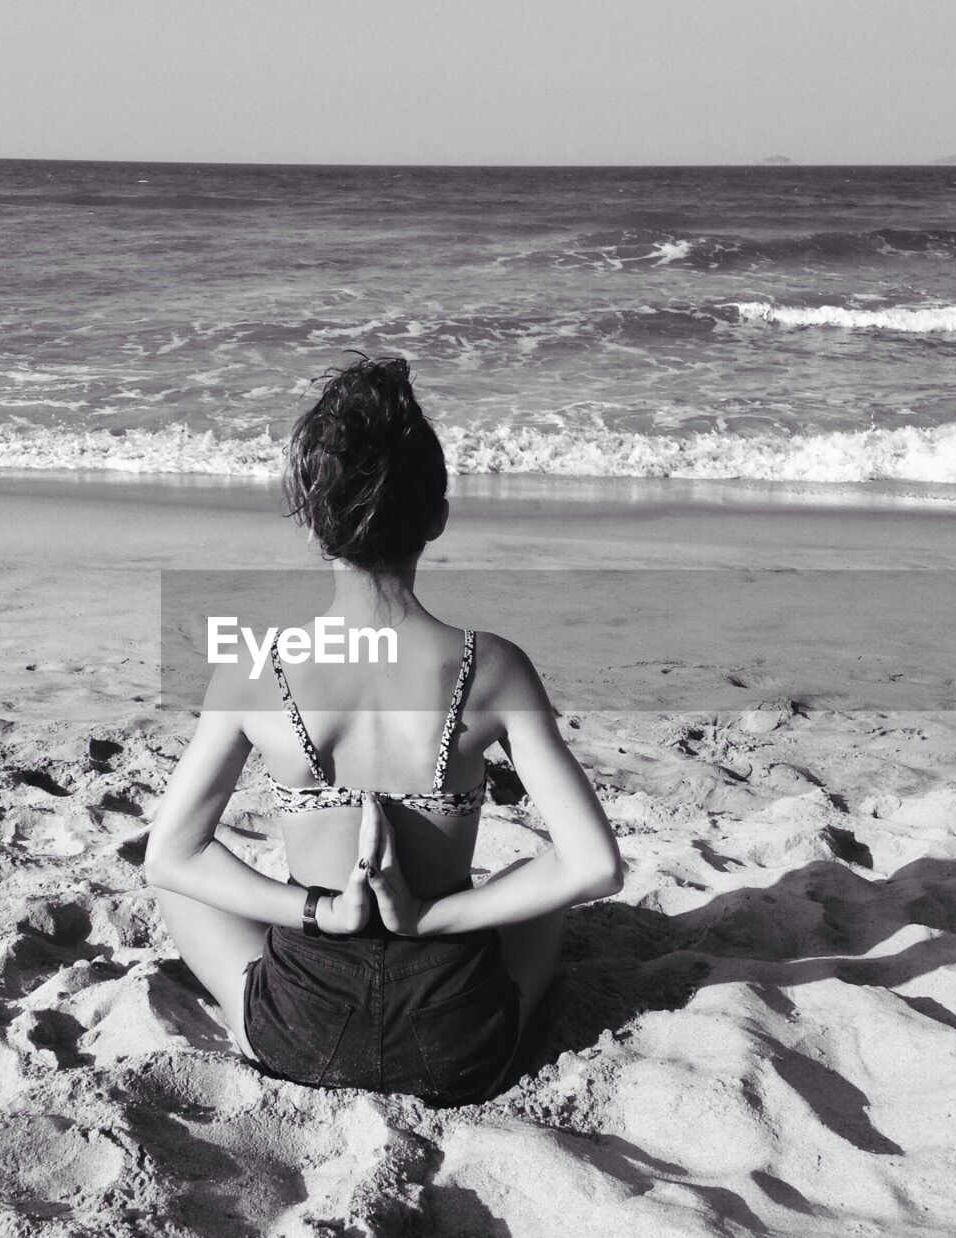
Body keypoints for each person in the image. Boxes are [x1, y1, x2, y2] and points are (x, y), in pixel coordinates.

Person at [146, 356, 623, 1106]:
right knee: (544, 881)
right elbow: (596, 867)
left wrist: (318, 910)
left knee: (179, 878)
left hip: (303, 1034)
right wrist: (432, 914)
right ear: (436, 515)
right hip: (456, 1041)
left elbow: (170, 855)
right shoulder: (490, 667)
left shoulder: (255, 667)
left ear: (311, 522)